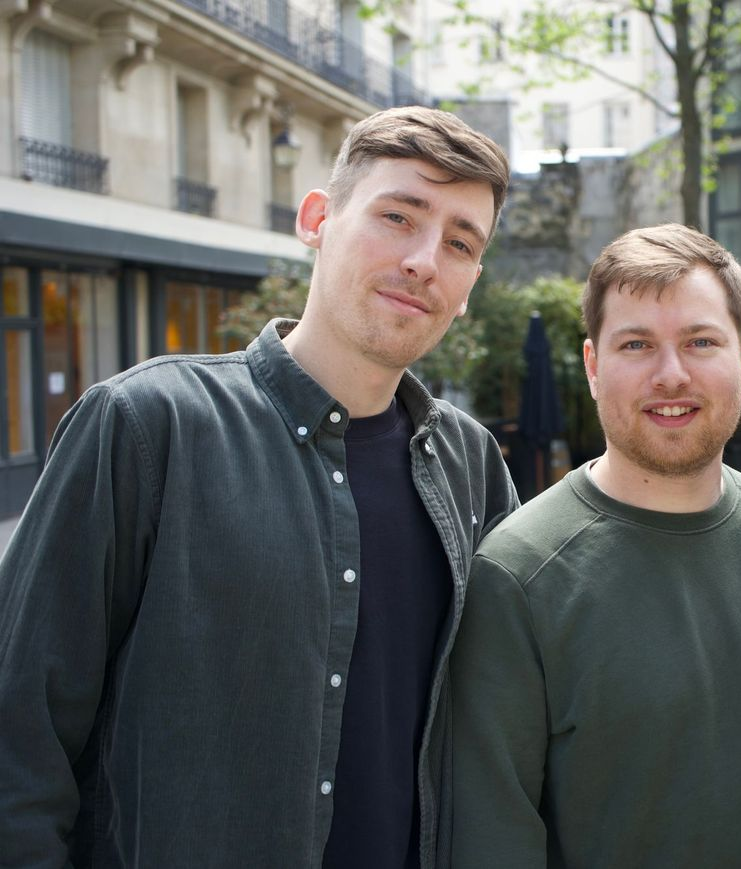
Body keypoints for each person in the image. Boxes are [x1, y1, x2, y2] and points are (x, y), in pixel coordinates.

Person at [0, 106, 518, 868]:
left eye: (460, 242)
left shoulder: (469, 463)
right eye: (398, 216)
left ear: (471, 282)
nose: (423, 260)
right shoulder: (147, 427)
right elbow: (19, 733)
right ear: (317, 219)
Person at [450, 224, 741, 868]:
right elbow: (495, 836)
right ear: (594, 367)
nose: (671, 374)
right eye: (637, 345)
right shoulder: (518, 574)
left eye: (699, 341)